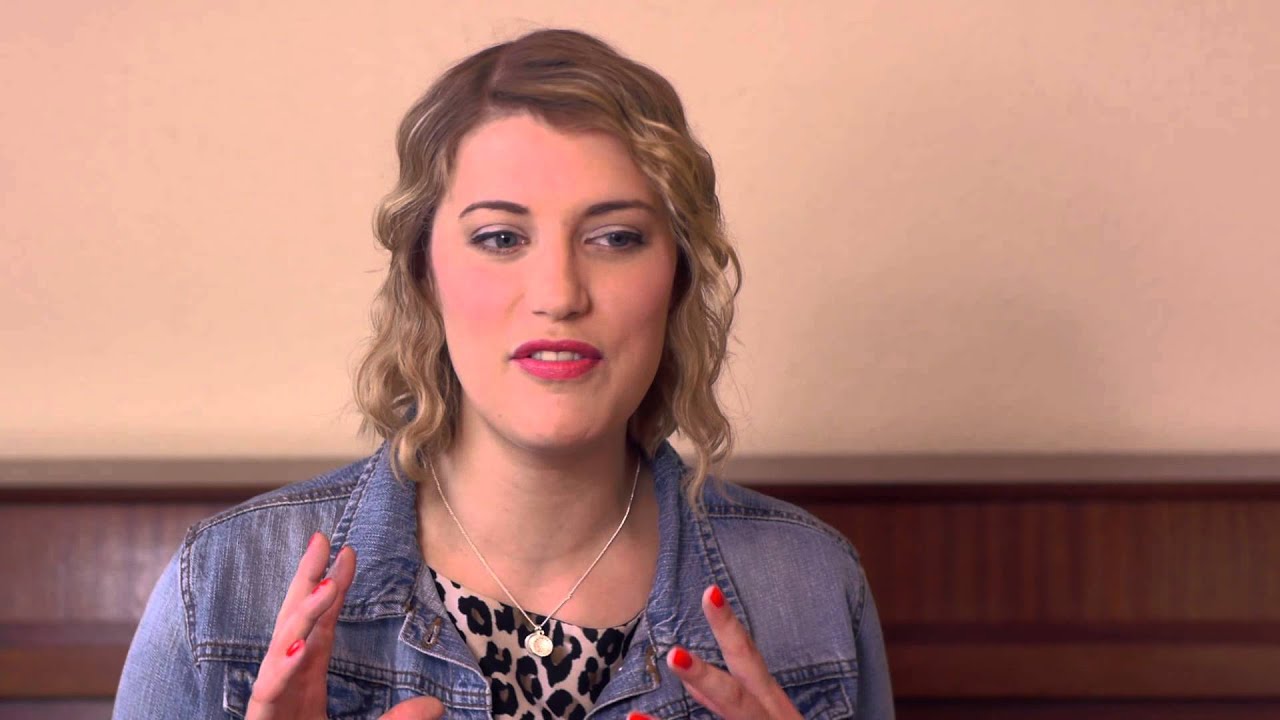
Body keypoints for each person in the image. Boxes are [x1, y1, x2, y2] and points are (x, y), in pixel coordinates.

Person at [114, 28, 893, 720]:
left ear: (678, 276)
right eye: (500, 238)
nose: (559, 294)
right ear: (424, 274)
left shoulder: (811, 590)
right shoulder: (225, 588)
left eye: (616, 237)